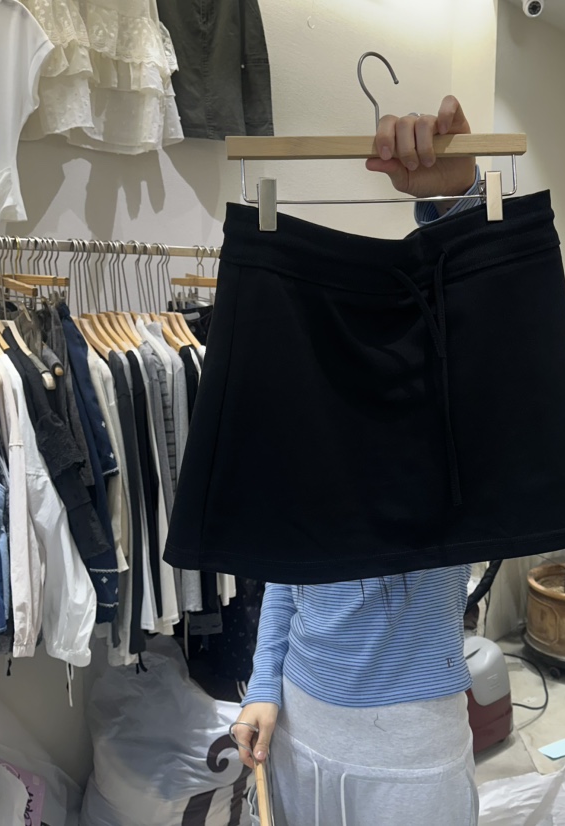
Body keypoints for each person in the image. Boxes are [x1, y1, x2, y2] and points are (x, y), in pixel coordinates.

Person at [233, 95, 482, 826]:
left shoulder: (449, 417)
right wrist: (262, 686)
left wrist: (457, 203)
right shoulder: (307, 421)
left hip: (414, 744)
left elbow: (484, 324)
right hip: (300, 725)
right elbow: (288, 571)